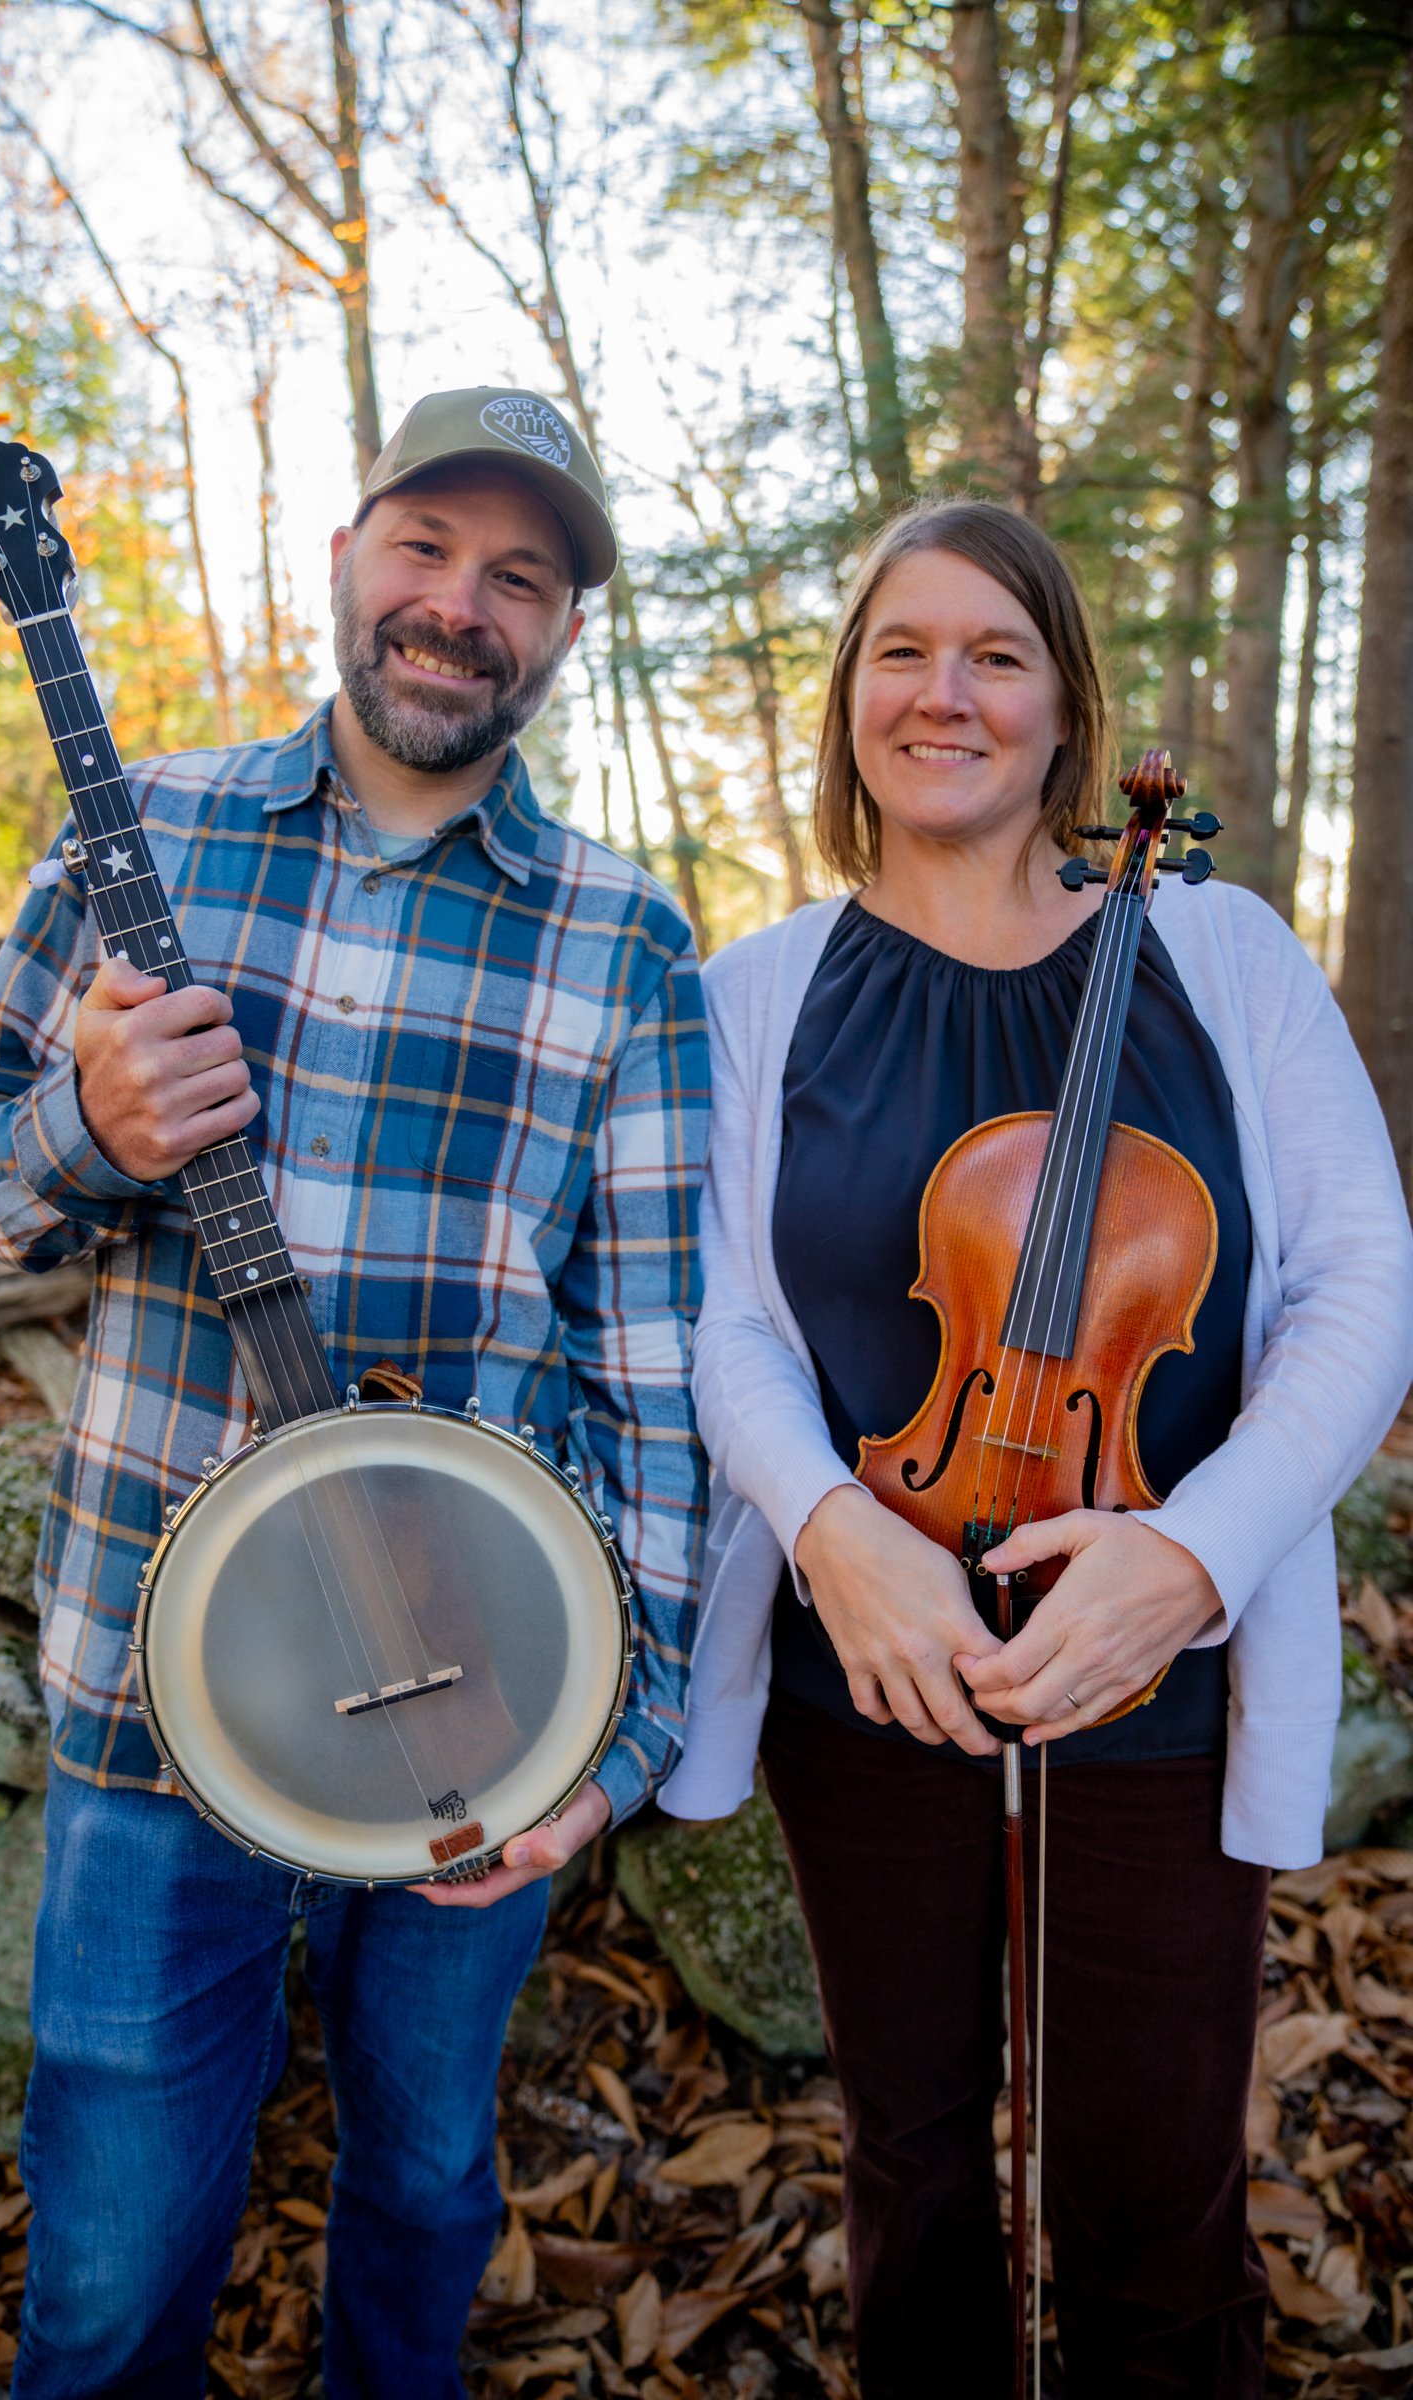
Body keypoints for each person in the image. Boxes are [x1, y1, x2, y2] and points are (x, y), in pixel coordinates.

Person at [0, 386, 709, 2400]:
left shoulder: (621, 939)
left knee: (427, 2193)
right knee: (103, 2265)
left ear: (558, 633)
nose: (461, 605)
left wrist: (614, 1735)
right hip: (148, 1696)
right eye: (426, 549)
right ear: (347, 553)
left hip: (480, 1698)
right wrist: (86, 1127)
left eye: (518, 578)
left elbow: (648, 1367)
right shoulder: (147, 836)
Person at [659, 497, 1413, 2399]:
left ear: (1065, 711)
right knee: (913, 2175)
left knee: (1154, 2203)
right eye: (902, 652)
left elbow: (1357, 1286)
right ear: (846, 706)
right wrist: (833, 1527)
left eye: (995, 653)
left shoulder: (1220, 952)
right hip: (879, 1670)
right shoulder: (757, 996)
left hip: (1154, 1681)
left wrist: (1193, 1553)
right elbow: (726, 1320)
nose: (946, 694)